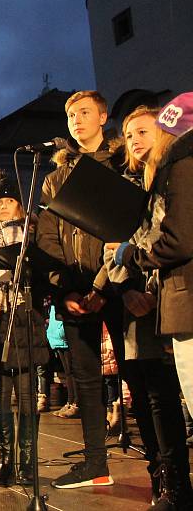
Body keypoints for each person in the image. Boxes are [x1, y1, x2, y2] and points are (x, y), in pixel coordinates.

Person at [108, 95, 193, 508]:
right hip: (142, 302)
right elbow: (114, 246)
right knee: (155, 396)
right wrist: (126, 287)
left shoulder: (176, 169)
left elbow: (174, 239)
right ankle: (170, 483)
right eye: (128, 135)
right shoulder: (130, 186)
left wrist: (134, 257)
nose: (135, 140)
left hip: (175, 295)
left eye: (143, 131)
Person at [37, 90, 124, 489]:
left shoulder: (123, 163)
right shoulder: (56, 178)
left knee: (139, 375)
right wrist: (65, 290)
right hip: (75, 291)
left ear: (103, 117)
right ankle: (95, 464)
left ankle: (164, 468)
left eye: (85, 112)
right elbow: (49, 238)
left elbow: (128, 225)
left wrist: (104, 286)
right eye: (71, 114)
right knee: (85, 380)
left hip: (121, 286)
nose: (77, 119)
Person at [0, 169, 50, 488]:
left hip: (25, 321)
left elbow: (43, 274)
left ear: (19, 204)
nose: (3, 206)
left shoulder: (32, 233)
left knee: (27, 396)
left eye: (9, 200)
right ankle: (4, 460)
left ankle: (27, 462)